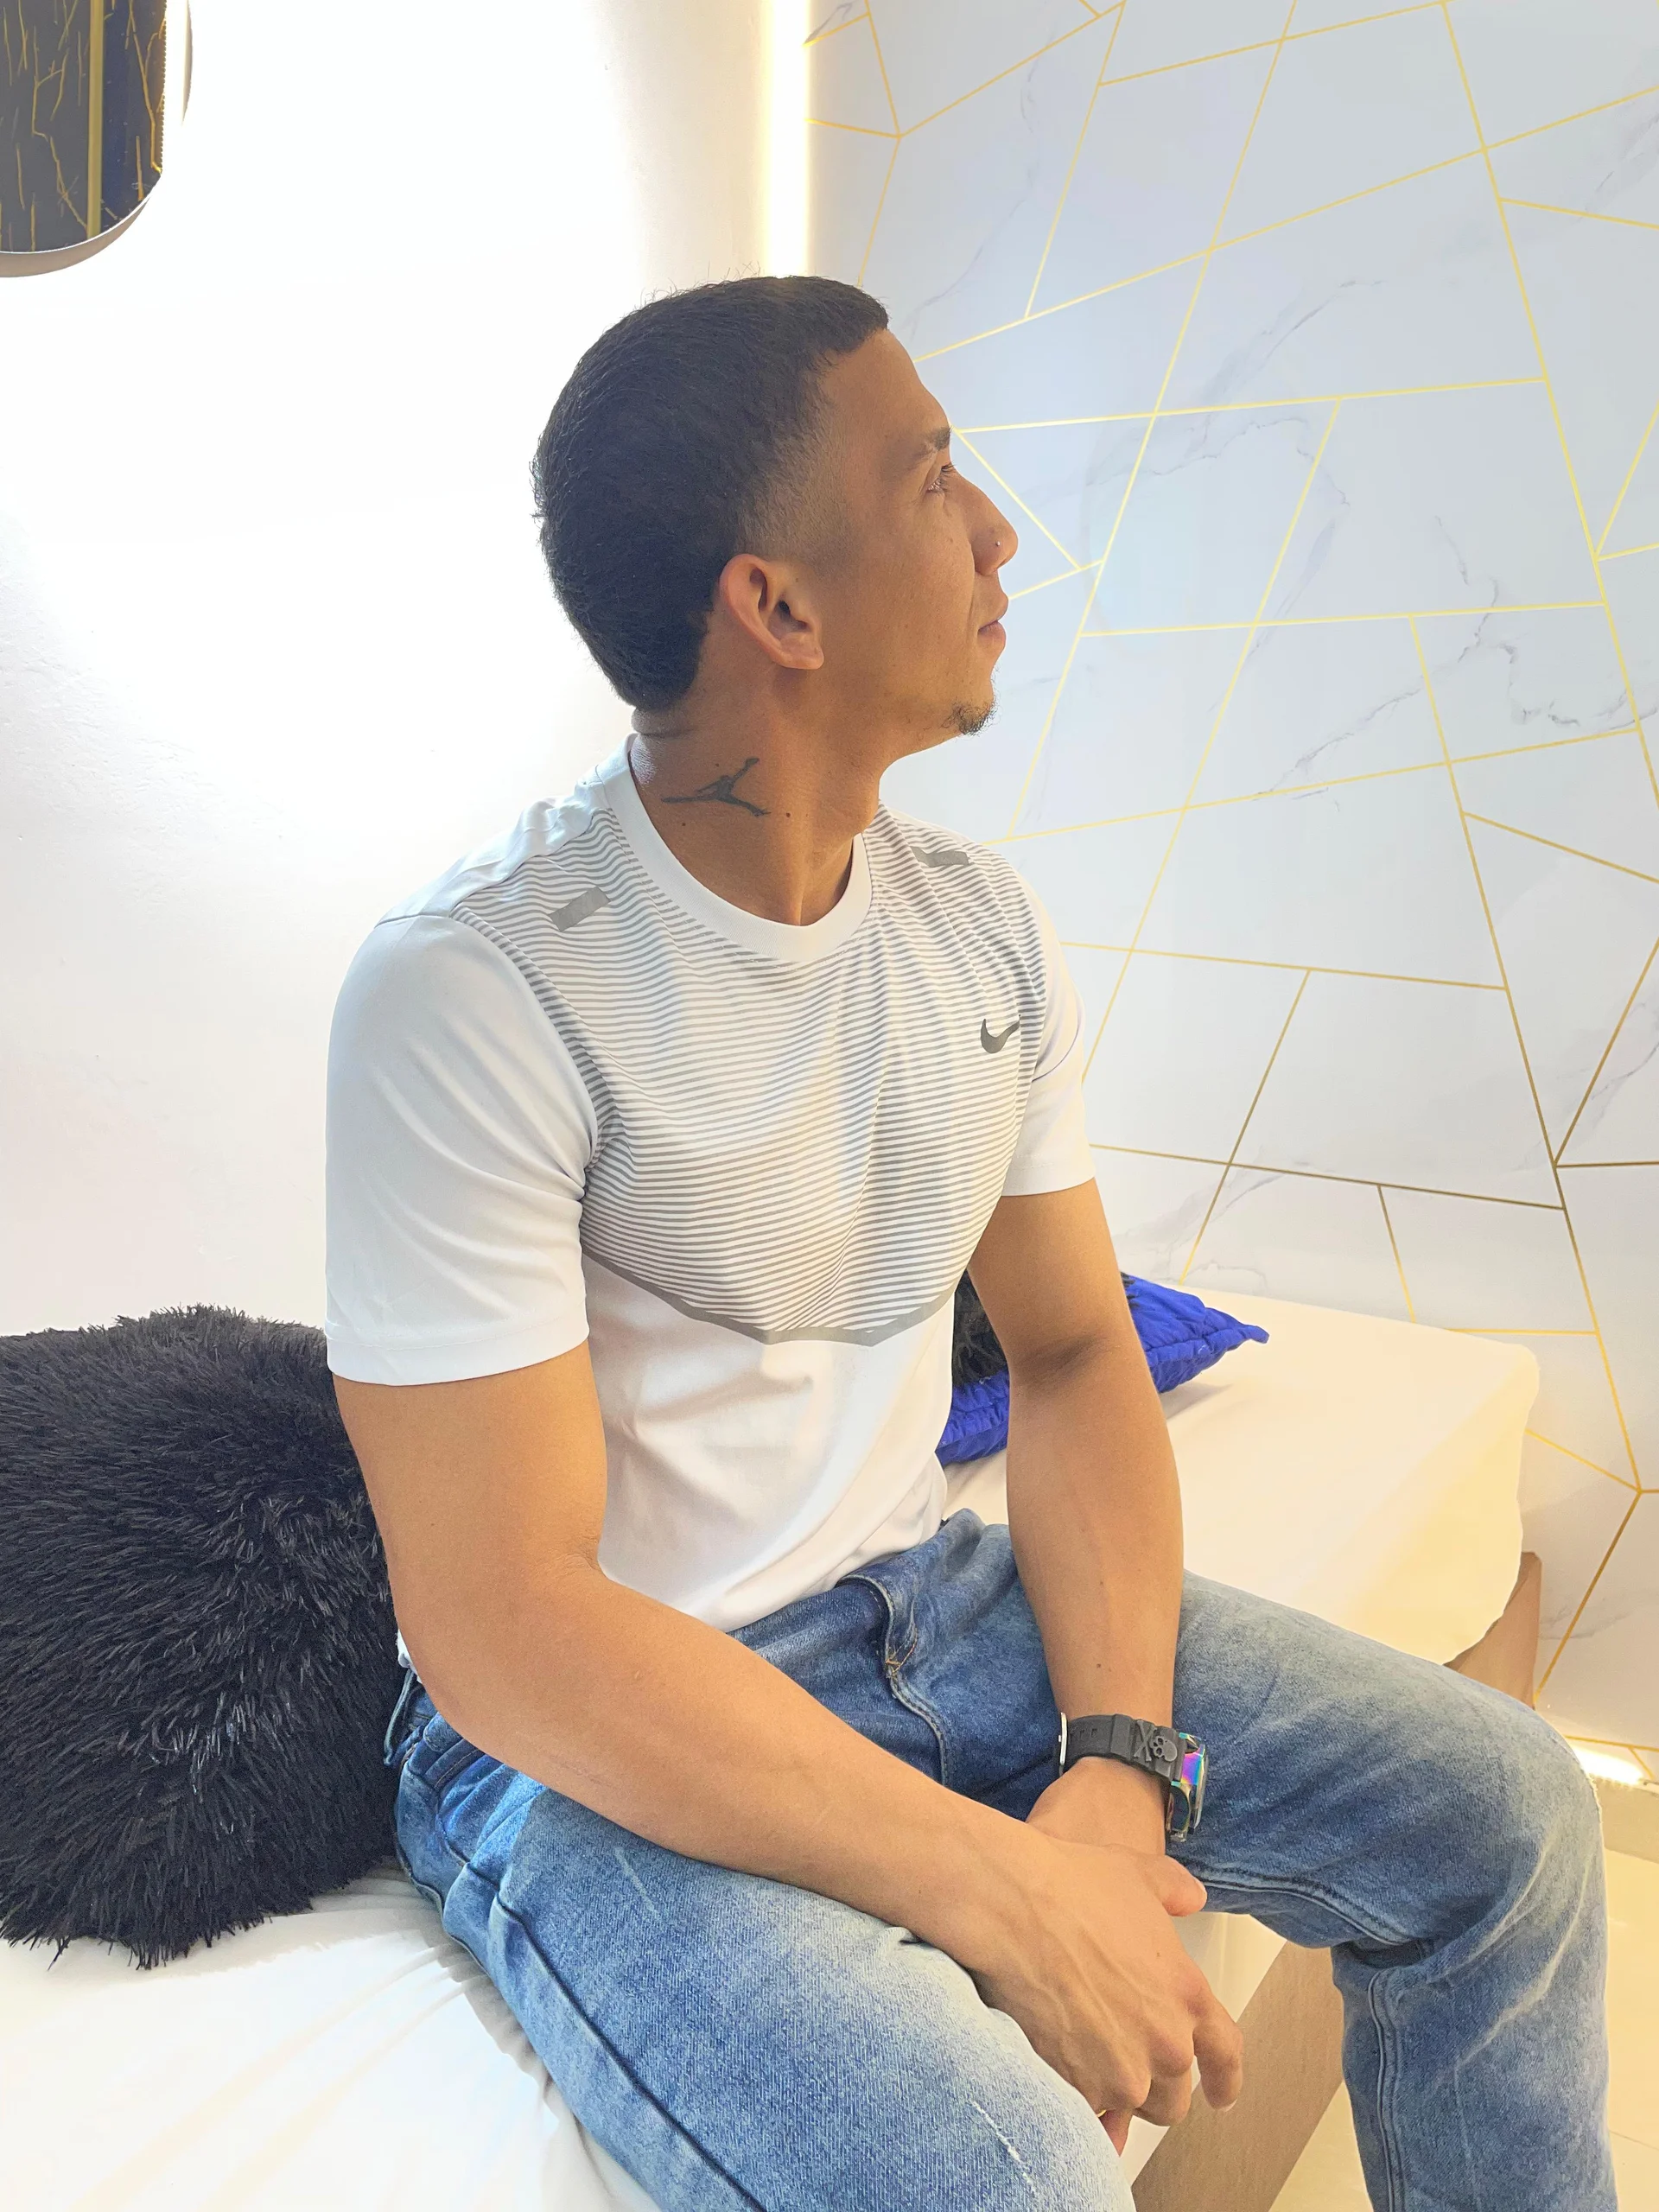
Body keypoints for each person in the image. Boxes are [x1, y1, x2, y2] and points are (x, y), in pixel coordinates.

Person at [324, 276, 1613, 2212]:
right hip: (599, 1743)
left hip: (934, 1604)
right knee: (1005, 2173)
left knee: (1510, 1819)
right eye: (933, 478)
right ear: (779, 606)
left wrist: (1118, 1763)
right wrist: (1005, 1891)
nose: (1002, 531)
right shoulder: (477, 992)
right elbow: (504, 1620)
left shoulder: (978, 932)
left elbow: (1079, 1354)